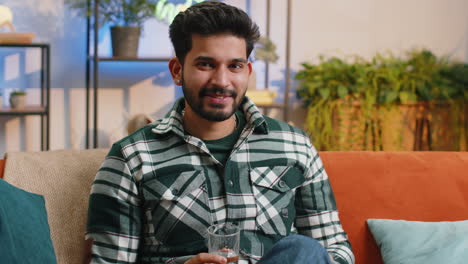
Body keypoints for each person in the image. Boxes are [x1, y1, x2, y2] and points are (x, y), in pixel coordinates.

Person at [85, 2, 354, 264]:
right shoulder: (131, 157)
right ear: (177, 71)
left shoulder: (295, 145)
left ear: (247, 72)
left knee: (302, 250)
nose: (222, 82)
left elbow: (335, 248)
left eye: (234, 66)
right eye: (206, 65)